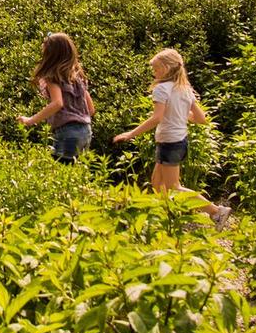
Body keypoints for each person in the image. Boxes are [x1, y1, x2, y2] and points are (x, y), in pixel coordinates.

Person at [112, 48, 224, 219]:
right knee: (157, 183)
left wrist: (130, 134)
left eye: (156, 69)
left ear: (165, 68)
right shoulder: (184, 89)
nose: (154, 73)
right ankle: (166, 216)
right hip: (179, 141)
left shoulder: (162, 89)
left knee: (174, 187)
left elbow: (156, 118)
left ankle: (215, 211)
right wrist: (179, 113)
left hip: (170, 142)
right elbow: (201, 118)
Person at [21, 31, 94, 163]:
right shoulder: (77, 77)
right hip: (86, 131)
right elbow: (91, 109)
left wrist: (31, 120)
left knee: (60, 174)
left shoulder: (52, 77)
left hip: (67, 132)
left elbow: (57, 103)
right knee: (75, 173)